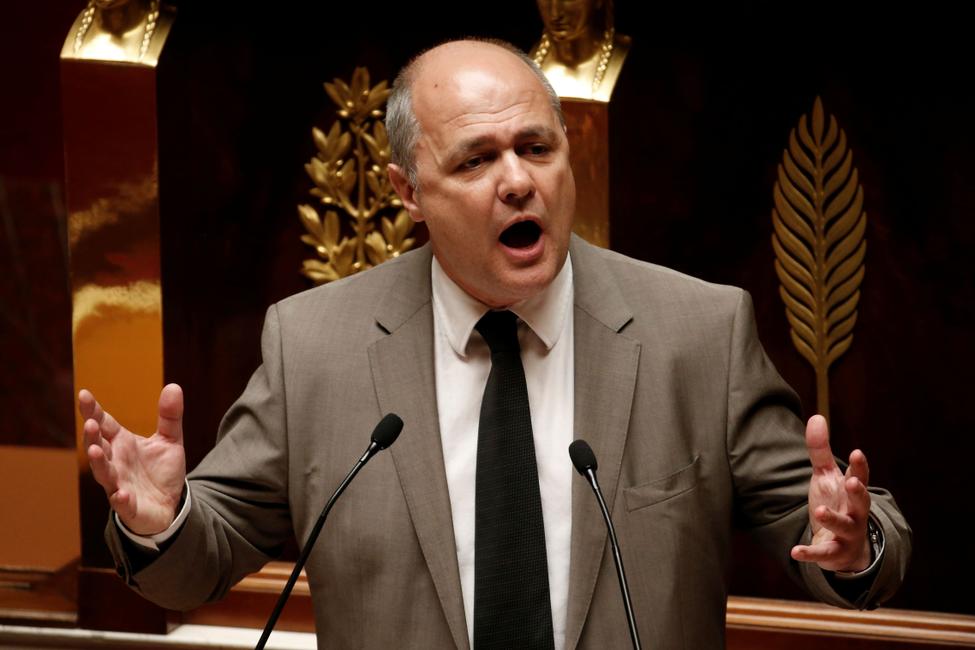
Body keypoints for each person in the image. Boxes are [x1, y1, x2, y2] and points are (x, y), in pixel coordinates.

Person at [79, 39, 910, 649]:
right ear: (407, 191)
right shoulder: (315, 346)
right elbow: (199, 561)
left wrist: (853, 542)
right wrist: (163, 523)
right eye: (478, 159)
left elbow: (826, 533)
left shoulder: (696, 331)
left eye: (536, 148)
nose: (518, 180)